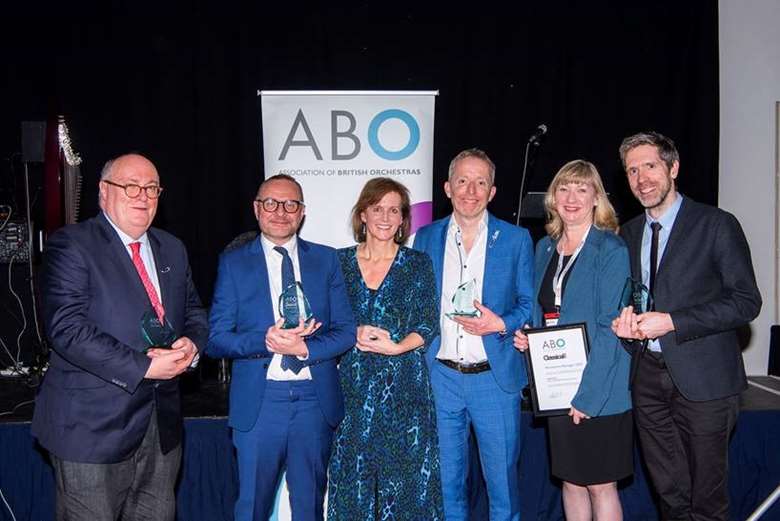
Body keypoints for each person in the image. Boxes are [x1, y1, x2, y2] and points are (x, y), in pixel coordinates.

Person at [32, 153, 208, 520]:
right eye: (131, 186)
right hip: (90, 430)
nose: (142, 196)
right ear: (103, 191)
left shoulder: (172, 248)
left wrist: (192, 345)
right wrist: (144, 367)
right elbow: (66, 328)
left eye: (151, 188)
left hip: (161, 429)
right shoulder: (72, 245)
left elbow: (193, 312)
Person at [612, 131, 761, 521]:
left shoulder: (716, 224)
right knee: (670, 495)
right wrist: (627, 324)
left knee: (707, 501)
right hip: (646, 379)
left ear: (673, 168)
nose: (641, 178)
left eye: (650, 166)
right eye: (632, 171)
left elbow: (747, 302)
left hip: (706, 381)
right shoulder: (626, 235)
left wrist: (674, 322)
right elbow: (632, 298)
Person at [207, 174, 356, 521]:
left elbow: (347, 331)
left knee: (309, 507)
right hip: (260, 404)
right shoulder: (234, 263)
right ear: (257, 209)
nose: (280, 212)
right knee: (252, 508)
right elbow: (216, 338)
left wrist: (306, 349)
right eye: (271, 203)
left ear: (302, 212)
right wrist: (265, 340)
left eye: (291, 204)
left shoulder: (326, 260)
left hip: (313, 402)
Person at [413, 148, 534, 521]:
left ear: (492, 191)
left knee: (502, 487)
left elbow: (528, 304)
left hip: (494, 380)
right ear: (447, 187)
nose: (471, 190)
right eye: (462, 181)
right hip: (441, 378)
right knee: (446, 485)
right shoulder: (425, 238)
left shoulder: (516, 240)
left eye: (481, 182)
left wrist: (500, 323)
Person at [513, 160, 632, 520]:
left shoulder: (611, 250)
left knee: (600, 484)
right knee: (571, 481)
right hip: (556, 385)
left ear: (597, 198)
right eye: (564, 188)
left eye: (582, 189)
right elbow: (544, 311)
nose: (572, 197)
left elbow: (610, 327)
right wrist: (529, 340)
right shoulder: (545, 249)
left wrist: (588, 397)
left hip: (600, 388)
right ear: (553, 197)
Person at [327, 178, 444, 520]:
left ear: (403, 219)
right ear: (363, 214)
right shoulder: (338, 263)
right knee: (352, 484)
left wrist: (396, 347)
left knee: (407, 490)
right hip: (352, 389)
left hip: (405, 390)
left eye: (394, 210)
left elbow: (427, 322)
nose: (385, 216)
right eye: (377, 208)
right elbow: (327, 320)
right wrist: (352, 332)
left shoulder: (418, 263)